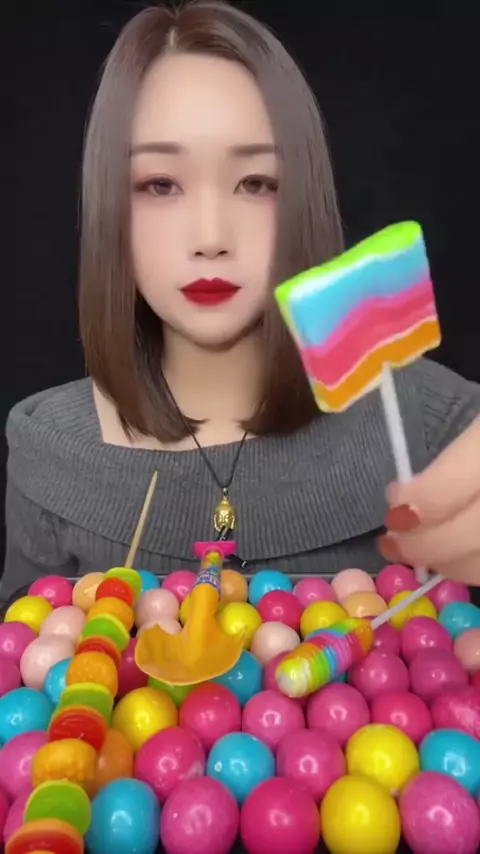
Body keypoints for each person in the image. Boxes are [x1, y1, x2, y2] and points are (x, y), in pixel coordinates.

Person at [2, 1, 480, 609]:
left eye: (256, 183)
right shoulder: (49, 447)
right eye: (160, 184)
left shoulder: (438, 426)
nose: (210, 238)